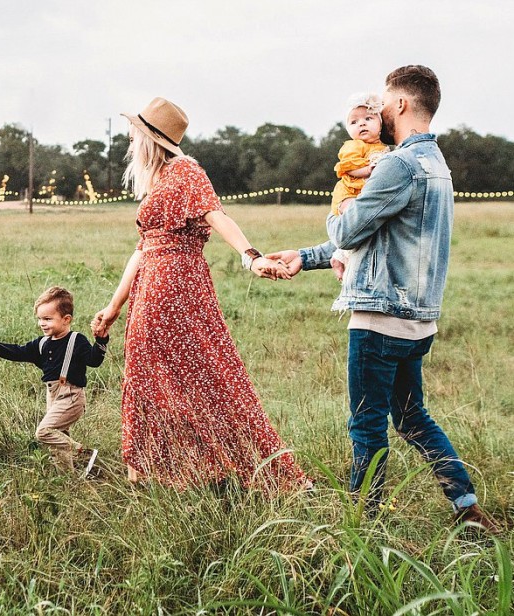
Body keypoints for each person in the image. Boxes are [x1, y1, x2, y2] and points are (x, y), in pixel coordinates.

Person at [268, 66, 499, 532]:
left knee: (366, 425)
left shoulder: (397, 165)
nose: (377, 112)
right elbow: (380, 236)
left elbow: (350, 229)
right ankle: (467, 507)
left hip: (380, 318)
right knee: (412, 417)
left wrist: (339, 209)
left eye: (384, 104)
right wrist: (307, 257)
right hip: (418, 321)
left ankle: (362, 523)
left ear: (401, 105)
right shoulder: (437, 165)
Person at [91, 97, 308, 491]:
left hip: (175, 284)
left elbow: (216, 214)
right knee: (151, 375)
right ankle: (157, 469)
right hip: (151, 285)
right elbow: (141, 250)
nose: (129, 140)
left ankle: (232, 466)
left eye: (134, 133)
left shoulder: (186, 171)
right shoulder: (157, 180)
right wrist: (113, 307)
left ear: (150, 138)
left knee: (204, 373)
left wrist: (251, 257)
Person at [0, 287, 107, 477]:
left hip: (71, 396)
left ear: (66, 319)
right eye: (40, 319)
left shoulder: (76, 340)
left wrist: (101, 340)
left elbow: (94, 361)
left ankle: (83, 453)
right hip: (53, 396)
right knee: (58, 442)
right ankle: (68, 481)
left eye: (48, 319)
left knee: (44, 432)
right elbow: (18, 352)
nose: (42, 323)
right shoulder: (42, 343)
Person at [329, 92, 391, 281]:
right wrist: (368, 170)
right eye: (354, 122)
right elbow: (347, 167)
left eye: (368, 118)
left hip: (363, 193)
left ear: (380, 124)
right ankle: (342, 257)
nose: (361, 124)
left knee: (366, 225)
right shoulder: (353, 146)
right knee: (354, 218)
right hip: (349, 193)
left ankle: (342, 256)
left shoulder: (383, 147)